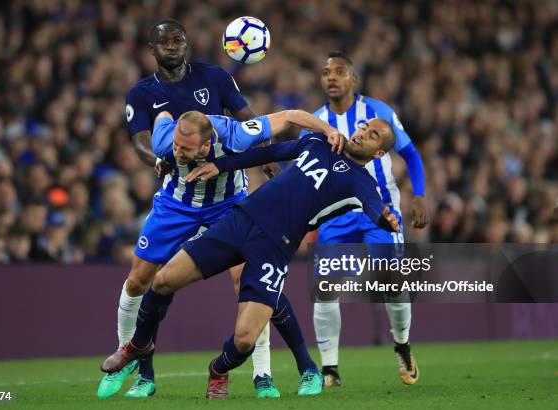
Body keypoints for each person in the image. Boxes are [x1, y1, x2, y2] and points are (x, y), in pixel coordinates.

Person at [100, 118, 400, 400]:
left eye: (373, 134)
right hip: (242, 220)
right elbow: (267, 153)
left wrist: (384, 219)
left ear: (379, 152)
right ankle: (137, 346)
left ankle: (218, 369)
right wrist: (221, 166)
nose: (362, 132)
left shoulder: (362, 183)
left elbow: (375, 208)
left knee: (244, 340)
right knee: (164, 280)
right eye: (363, 126)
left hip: (275, 246)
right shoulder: (318, 142)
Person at [101, 17, 262, 398]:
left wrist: (264, 154)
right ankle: (138, 371)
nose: (171, 45)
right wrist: (154, 160)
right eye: (163, 41)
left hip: (225, 199)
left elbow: (248, 120)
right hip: (177, 202)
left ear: (186, 45)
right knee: (139, 280)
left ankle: (262, 375)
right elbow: (140, 141)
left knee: (246, 279)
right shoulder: (141, 94)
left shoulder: (216, 78)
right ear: (151, 49)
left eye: (178, 39)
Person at [305, 51, 429, 387]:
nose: (331, 77)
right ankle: (329, 369)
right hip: (336, 215)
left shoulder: (378, 112)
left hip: (381, 212)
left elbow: (411, 154)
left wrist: (418, 194)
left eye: (339, 71)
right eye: (326, 71)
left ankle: (402, 345)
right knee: (326, 289)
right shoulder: (316, 120)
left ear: (353, 79)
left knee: (392, 284)